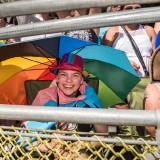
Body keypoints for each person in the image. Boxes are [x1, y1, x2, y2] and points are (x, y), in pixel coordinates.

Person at [26, 53, 107, 156]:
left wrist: (81, 145)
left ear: (82, 80)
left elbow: (104, 135)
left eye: (75, 75)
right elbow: (27, 139)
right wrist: (49, 146)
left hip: (81, 152)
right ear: (57, 78)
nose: (69, 80)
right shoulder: (44, 97)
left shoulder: (89, 98)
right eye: (64, 74)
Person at [102, 4, 156, 78]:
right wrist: (125, 63)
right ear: (122, 10)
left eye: (137, 8)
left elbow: (156, 56)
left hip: (146, 80)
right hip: (122, 79)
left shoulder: (149, 30)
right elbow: (105, 56)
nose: (133, 11)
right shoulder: (113, 31)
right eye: (129, 8)